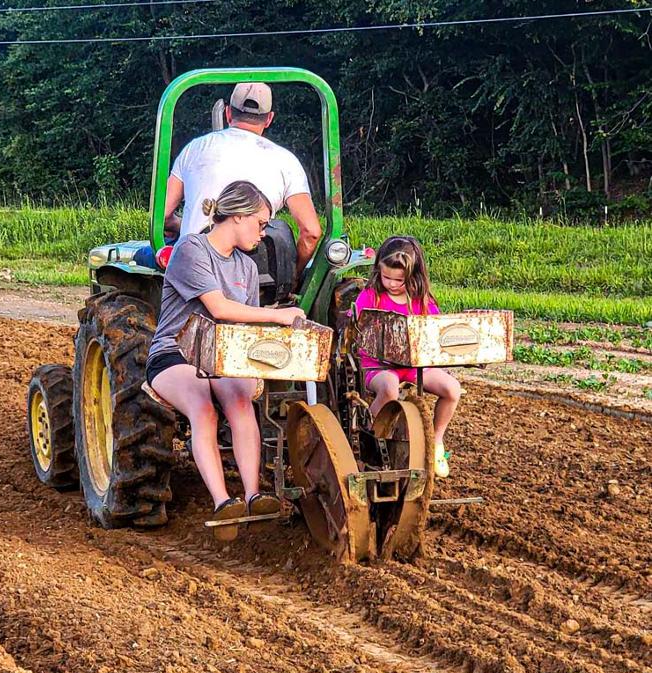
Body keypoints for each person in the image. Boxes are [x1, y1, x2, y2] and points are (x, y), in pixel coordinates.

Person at [146, 180, 305, 539]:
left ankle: (253, 495)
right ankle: (222, 502)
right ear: (236, 216)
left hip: (220, 356)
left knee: (239, 397)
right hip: (176, 354)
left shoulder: (246, 269)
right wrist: (279, 317)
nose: (263, 234)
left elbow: (244, 325)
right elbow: (218, 308)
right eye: (261, 224)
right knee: (203, 407)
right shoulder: (192, 249)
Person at [164, 82, 322, 284]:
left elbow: (163, 216)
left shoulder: (195, 148)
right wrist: (292, 277)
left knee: (144, 255)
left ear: (228, 113)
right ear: (269, 119)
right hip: (266, 287)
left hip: (197, 273)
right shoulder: (287, 161)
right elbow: (311, 233)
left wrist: (183, 225)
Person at [351, 235, 461, 479]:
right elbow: (355, 328)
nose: (390, 283)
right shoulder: (371, 297)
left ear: (412, 276)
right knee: (389, 388)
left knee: (452, 389)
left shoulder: (421, 301)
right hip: (378, 365)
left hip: (412, 365)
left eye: (398, 280)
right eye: (386, 276)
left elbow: (433, 332)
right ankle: (370, 432)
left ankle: (436, 443)